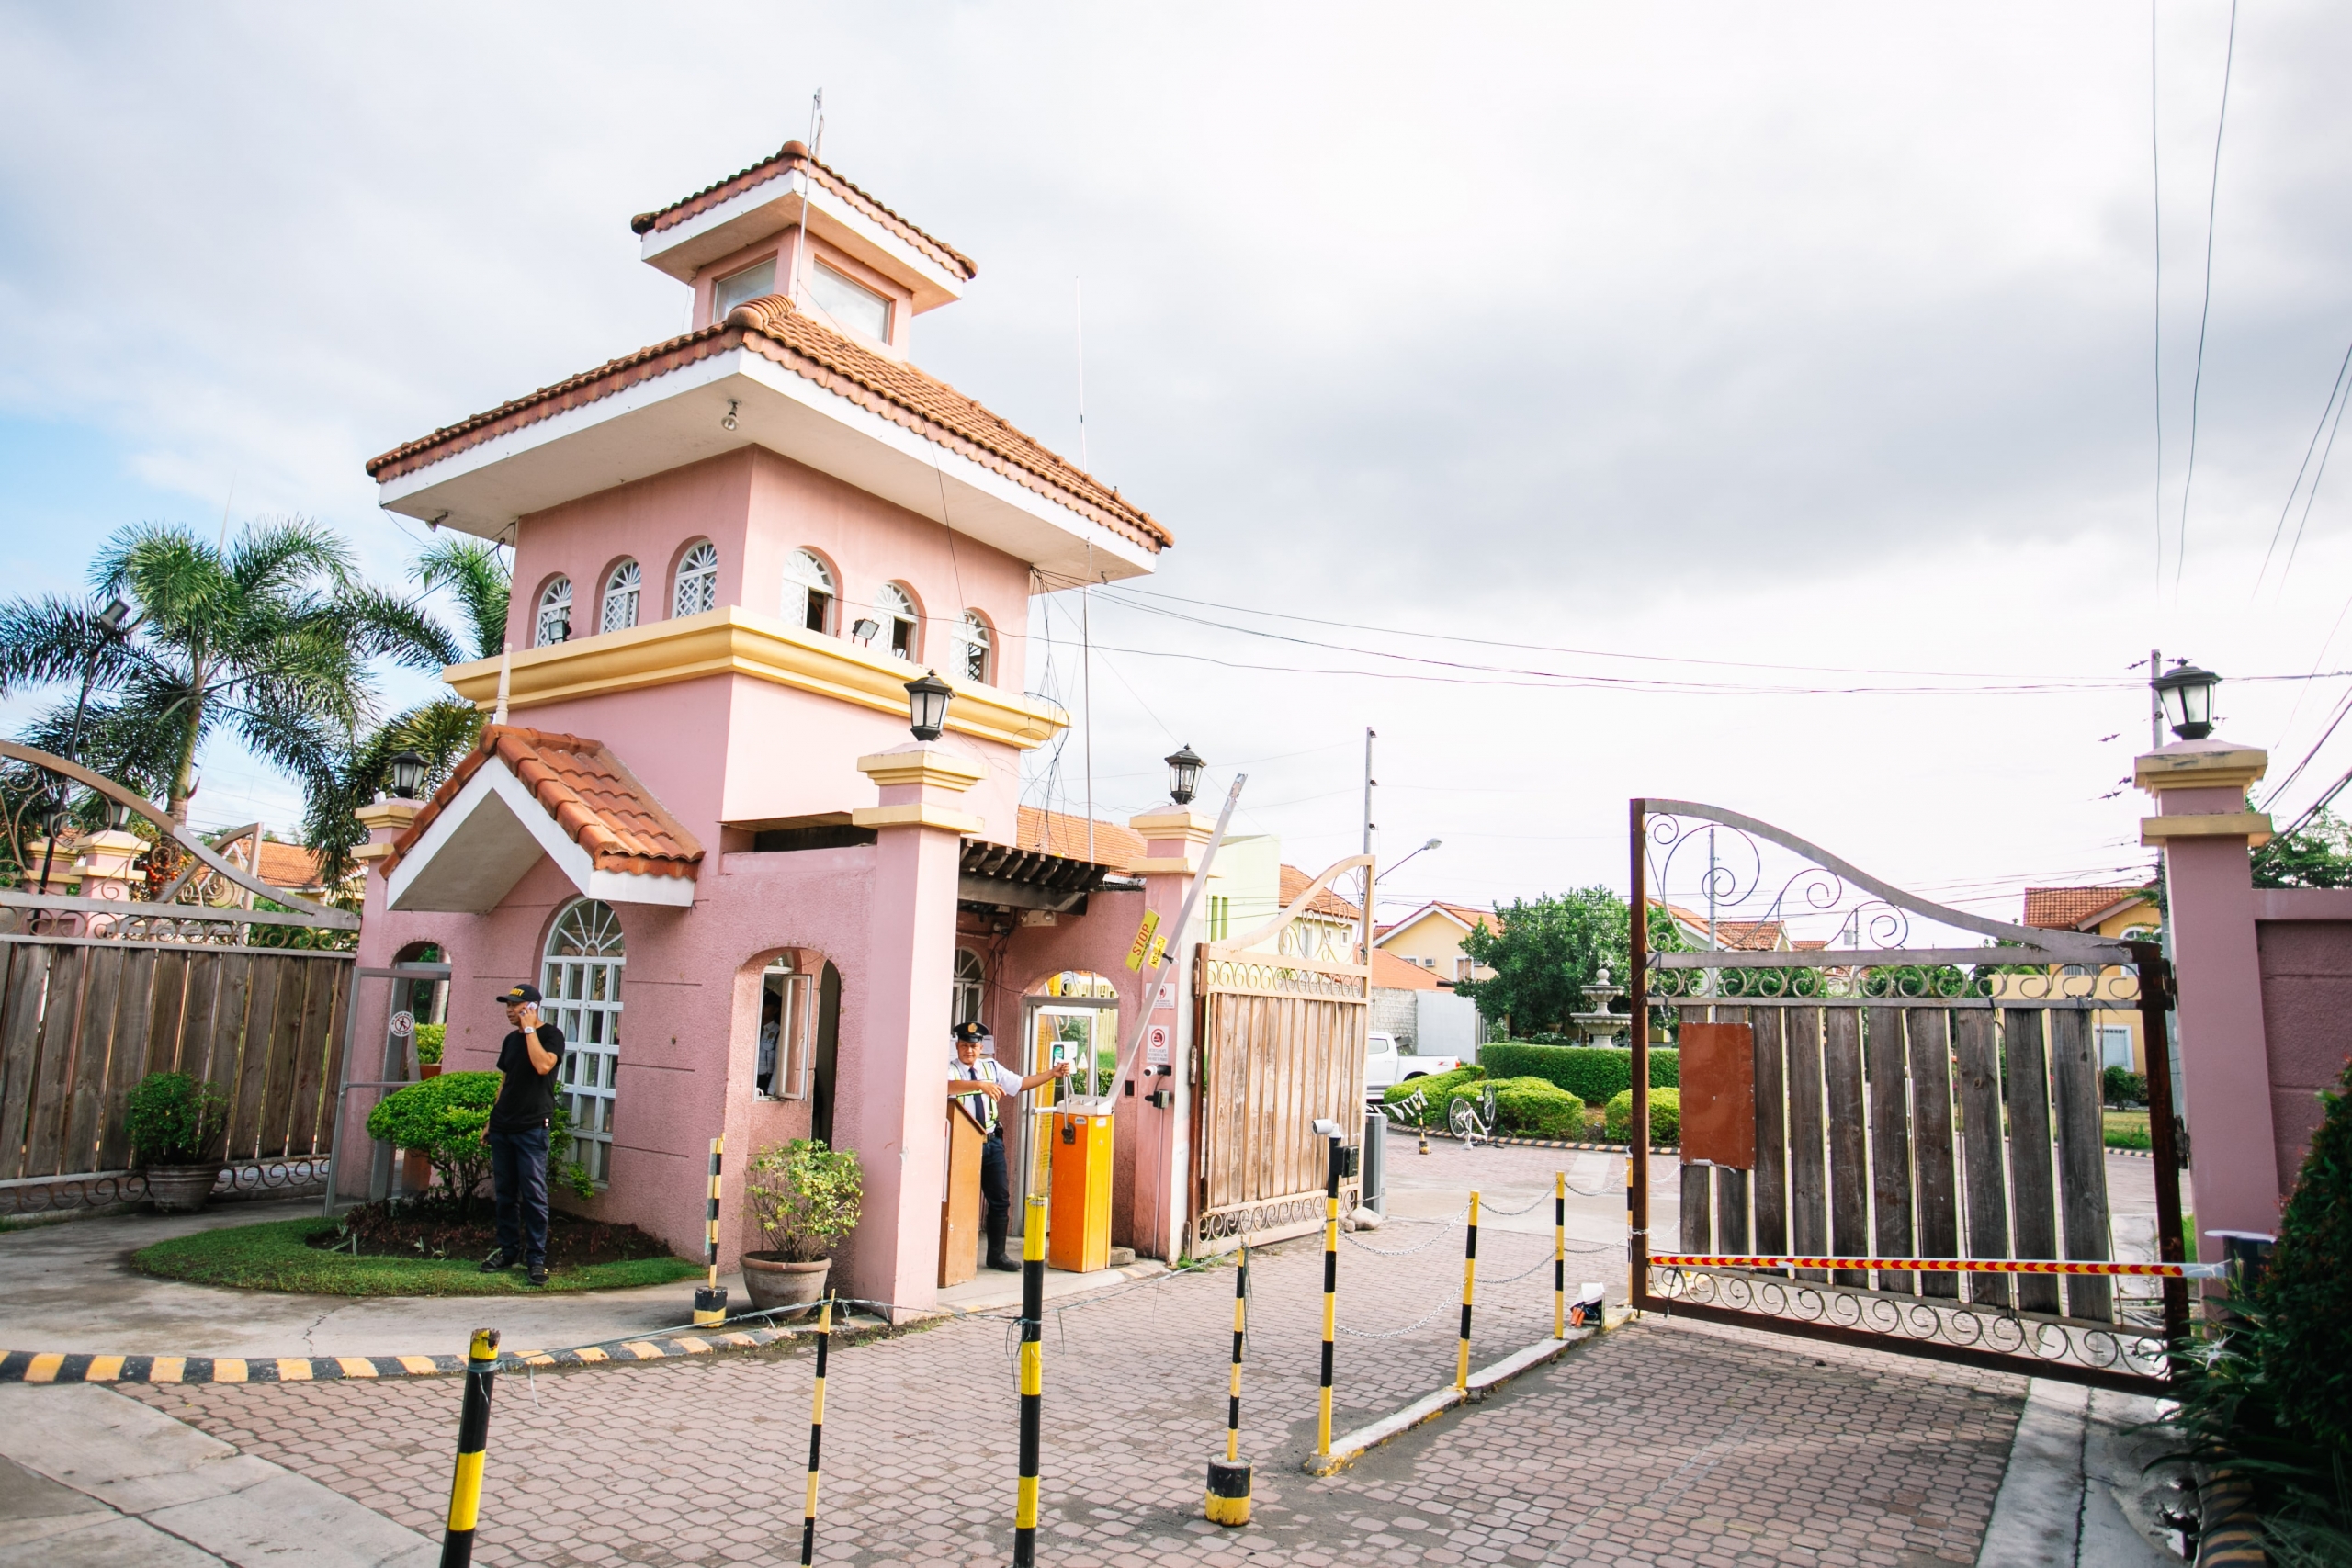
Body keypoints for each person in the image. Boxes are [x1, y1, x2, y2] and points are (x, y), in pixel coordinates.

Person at [946, 1020, 1072, 1270]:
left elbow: (1019, 1083)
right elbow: (945, 1087)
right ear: (957, 1048)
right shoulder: (951, 1070)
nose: (968, 1051)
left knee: (1000, 1200)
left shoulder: (991, 1067)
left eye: (973, 1047)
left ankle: (997, 1255)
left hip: (991, 1141)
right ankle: (955, 1256)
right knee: (960, 1199)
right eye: (963, 1046)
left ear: (981, 1047)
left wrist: (1052, 1074)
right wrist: (978, 1086)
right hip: (963, 1143)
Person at [481, 982, 565, 1286]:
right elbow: (505, 1082)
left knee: (533, 1195)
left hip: (532, 1127)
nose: (508, 1011)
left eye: (515, 1006)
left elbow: (543, 1066)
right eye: (506, 1006)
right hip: (503, 1126)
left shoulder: (551, 1036)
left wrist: (530, 1031)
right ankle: (507, 1252)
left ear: (531, 1008)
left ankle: (536, 1259)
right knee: (505, 1194)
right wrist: (491, 1121)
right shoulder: (509, 1040)